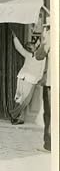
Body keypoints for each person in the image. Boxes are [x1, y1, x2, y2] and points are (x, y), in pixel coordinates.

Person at [9, 30, 46, 125]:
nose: (30, 48)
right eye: (29, 47)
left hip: (32, 80)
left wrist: (39, 79)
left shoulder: (42, 58)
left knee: (25, 101)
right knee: (18, 98)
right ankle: (19, 118)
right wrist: (15, 38)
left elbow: (41, 70)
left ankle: (13, 114)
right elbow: (19, 48)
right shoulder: (28, 55)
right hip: (22, 77)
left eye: (31, 46)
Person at [35, 22, 51, 151]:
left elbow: (39, 55)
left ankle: (49, 144)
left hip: (51, 83)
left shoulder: (51, 37)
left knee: (50, 114)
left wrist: (44, 38)